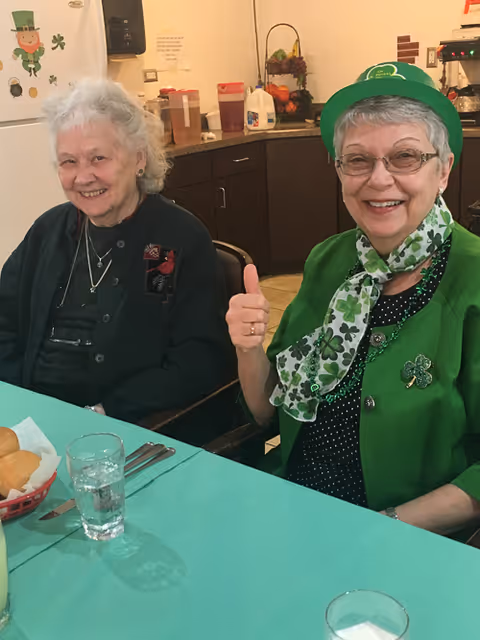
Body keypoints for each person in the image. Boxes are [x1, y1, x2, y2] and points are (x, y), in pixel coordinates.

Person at [226, 61, 480, 537]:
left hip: (404, 540)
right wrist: (247, 347)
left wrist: (383, 527)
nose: (378, 180)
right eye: (358, 160)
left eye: (405, 157)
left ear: (444, 170)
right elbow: (266, 409)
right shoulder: (329, 260)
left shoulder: (473, 277)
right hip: (291, 503)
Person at [0, 78, 234, 423]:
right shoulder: (47, 231)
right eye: (68, 162)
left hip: (126, 426)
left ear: (139, 159)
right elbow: (4, 322)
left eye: (98, 158)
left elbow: (198, 359)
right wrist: (22, 401)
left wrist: (106, 411)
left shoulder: (175, 239)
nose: (83, 177)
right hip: (34, 419)